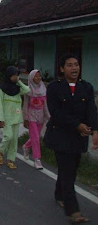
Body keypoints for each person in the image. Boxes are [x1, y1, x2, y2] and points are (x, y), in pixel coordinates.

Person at [43, 54, 98, 223]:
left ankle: (59, 193)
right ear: (61, 69)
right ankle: (73, 211)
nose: (74, 68)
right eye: (69, 65)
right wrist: (77, 125)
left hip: (79, 137)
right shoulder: (54, 87)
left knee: (71, 169)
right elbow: (56, 113)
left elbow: (91, 110)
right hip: (60, 135)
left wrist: (95, 130)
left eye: (76, 65)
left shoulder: (86, 87)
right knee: (67, 171)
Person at [0, 66, 30, 169]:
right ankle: (1, 151)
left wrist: (19, 81)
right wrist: (1, 119)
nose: (16, 77)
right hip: (7, 118)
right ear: (9, 75)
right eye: (14, 75)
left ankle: (10, 160)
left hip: (16, 118)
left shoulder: (18, 89)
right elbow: (0, 105)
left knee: (14, 140)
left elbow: (27, 90)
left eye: (17, 75)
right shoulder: (1, 89)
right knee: (8, 136)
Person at [22, 69, 50, 169]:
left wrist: (48, 116)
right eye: (36, 76)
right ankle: (37, 159)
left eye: (39, 76)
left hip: (41, 116)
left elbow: (45, 104)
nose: (38, 78)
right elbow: (25, 105)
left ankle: (26, 146)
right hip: (31, 115)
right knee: (36, 138)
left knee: (37, 136)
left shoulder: (43, 88)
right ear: (31, 77)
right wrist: (25, 118)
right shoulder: (28, 89)